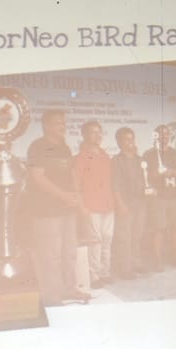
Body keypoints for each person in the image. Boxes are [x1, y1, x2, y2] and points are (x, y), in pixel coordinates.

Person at [24, 110, 88, 304]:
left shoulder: (64, 147)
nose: (63, 126)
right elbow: (37, 177)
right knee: (50, 256)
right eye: (58, 123)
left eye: (64, 123)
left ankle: (69, 289)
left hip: (67, 209)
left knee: (69, 252)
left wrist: (77, 198)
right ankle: (51, 296)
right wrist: (64, 195)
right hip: (46, 211)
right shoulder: (37, 147)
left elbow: (72, 175)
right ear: (46, 126)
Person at [73, 120, 116, 287]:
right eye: (93, 132)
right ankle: (94, 276)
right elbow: (75, 184)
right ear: (84, 135)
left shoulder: (104, 155)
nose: (98, 135)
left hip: (108, 205)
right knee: (95, 242)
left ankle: (105, 273)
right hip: (91, 206)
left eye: (100, 132)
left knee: (107, 240)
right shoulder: (80, 158)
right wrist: (81, 207)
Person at [142, 124, 176, 268]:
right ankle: (158, 259)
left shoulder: (175, 153)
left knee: (175, 228)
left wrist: (171, 172)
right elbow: (144, 176)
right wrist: (157, 174)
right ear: (155, 136)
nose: (164, 137)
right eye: (161, 134)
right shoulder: (149, 154)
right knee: (159, 229)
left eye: (167, 134)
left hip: (174, 196)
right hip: (159, 198)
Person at [110, 127, 150, 280]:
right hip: (125, 204)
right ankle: (125, 269)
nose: (130, 142)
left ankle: (135, 263)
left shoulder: (139, 160)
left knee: (137, 236)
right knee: (124, 238)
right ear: (119, 142)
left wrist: (149, 190)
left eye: (132, 138)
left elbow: (145, 180)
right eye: (126, 139)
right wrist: (120, 204)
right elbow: (115, 184)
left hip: (140, 203)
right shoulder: (116, 160)